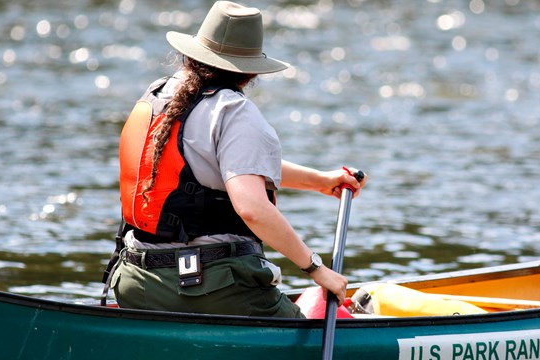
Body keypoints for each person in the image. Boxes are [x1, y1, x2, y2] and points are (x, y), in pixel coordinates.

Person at [106, 1, 367, 318]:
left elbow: (229, 170)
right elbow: (253, 208)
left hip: (135, 283)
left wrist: (321, 181)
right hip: (208, 287)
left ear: (193, 53)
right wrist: (315, 268)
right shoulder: (234, 111)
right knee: (321, 324)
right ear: (251, 70)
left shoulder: (160, 93)